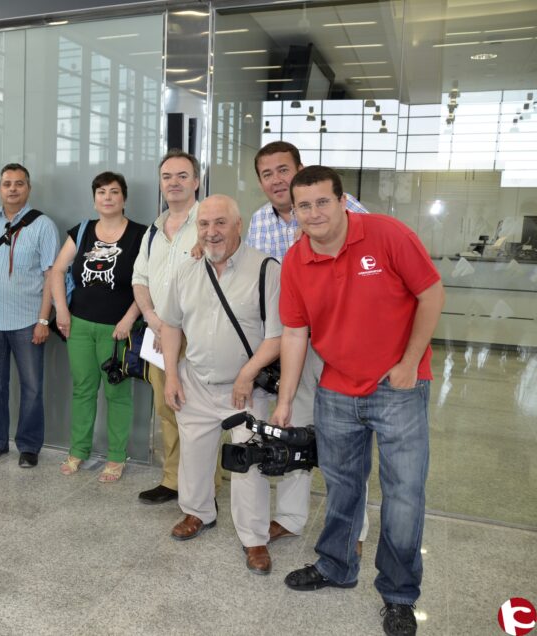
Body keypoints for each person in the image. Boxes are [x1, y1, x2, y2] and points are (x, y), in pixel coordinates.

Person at [271, 166, 444, 636]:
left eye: (322, 202)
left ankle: (399, 595)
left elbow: (430, 293)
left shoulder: (386, 235)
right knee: (343, 488)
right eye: (303, 205)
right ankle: (336, 566)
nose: (313, 213)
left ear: (343, 201)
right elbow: (294, 331)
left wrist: (409, 363)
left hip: (399, 388)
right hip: (336, 391)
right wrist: (285, 400)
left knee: (404, 496)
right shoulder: (295, 261)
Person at [247, 141, 370, 554]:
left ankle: (351, 527)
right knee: (293, 432)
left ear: (300, 170)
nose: (277, 180)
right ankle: (291, 518)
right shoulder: (259, 221)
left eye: (284, 170)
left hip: (343, 341)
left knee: (344, 438)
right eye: (267, 174)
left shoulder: (341, 206)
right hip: (292, 342)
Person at [158, 195, 283, 574]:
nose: (211, 232)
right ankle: (198, 513)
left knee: (250, 466)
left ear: (238, 225)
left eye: (220, 224)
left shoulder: (266, 269)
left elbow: (278, 336)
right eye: (204, 224)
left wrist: (247, 373)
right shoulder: (186, 270)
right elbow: (171, 325)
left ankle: (254, 538)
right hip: (196, 382)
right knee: (194, 456)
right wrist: (171, 375)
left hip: (247, 390)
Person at [131, 149, 221, 505]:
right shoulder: (154, 229)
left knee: (203, 415)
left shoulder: (209, 223)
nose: (174, 182)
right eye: (167, 176)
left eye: (182, 175)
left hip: (200, 335)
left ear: (196, 181)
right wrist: (152, 317)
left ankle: (206, 487)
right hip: (159, 334)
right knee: (168, 408)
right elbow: (140, 278)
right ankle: (172, 479)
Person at [51, 171, 146, 482]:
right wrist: (62, 312)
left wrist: (130, 318)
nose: (107, 197)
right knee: (83, 390)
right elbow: (57, 271)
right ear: (94, 200)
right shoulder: (82, 231)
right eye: (101, 192)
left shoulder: (140, 235)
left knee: (117, 392)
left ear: (124, 198)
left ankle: (117, 456)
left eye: (114, 191)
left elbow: (148, 283)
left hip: (117, 330)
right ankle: (79, 451)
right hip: (78, 325)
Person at [0, 163, 59, 468]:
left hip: (26, 321)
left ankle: (29, 445)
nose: (12, 189)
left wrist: (43, 319)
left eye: (19, 183)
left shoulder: (44, 226)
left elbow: (52, 275)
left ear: (28, 188)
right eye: (7, 183)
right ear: (0, 188)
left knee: (32, 387)